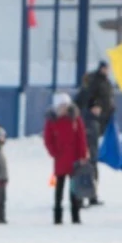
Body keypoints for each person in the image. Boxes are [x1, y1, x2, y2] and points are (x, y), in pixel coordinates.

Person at [42, 93, 88, 225]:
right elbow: (48, 139)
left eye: (66, 106)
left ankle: (75, 215)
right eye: (61, 106)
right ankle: (57, 216)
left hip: (74, 159)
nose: (64, 109)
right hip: (60, 159)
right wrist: (54, 153)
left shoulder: (75, 119)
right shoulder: (51, 121)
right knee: (59, 189)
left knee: (74, 190)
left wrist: (82, 156)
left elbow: (81, 138)